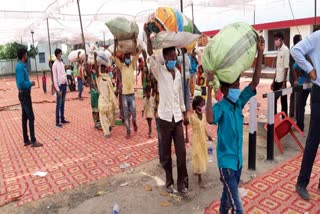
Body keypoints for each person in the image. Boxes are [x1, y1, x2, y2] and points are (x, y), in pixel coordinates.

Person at [206, 37, 264, 213]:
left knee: (226, 200)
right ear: (224, 90)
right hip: (226, 165)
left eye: (238, 84)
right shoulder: (221, 107)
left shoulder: (238, 102)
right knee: (237, 207)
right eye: (234, 85)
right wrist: (208, 89)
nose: (238, 88)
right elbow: (209, 118)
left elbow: (254, 83)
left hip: (238, 162)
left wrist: (260, 53)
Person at [147, 41, 189, 195]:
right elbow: (151, 56)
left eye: (175, 56)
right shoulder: (159, 71)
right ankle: (169, 181)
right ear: (165, 57)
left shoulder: (177, 73)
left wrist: (185, 113)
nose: (174, 59)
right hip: (164, 118)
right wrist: (149, 39)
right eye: (171, 57)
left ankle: (182, 184)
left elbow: (180, 96)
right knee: (165, 154)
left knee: (181, 153)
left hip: (177, 118)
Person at [291, 29, 320, 201]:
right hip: (319, 92)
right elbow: (296, 50)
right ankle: (301, 183)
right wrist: (309, 69)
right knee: (313, 141)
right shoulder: (317, 37)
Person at [15, 48, 43, 147]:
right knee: (31, 117)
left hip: (24, 94)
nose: (27, 56)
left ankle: (26, 140)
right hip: (25, 95)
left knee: (25, 117)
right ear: (24, 55)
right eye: (26, 54)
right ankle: (33, 140)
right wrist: (30, 83)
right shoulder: (20, 67)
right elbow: (20, 83)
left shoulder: (21, 66)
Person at [114, 41, 139, 139]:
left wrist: (135, 43)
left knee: (133, 113)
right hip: (124, 94)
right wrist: (116, 44)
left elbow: (136, 55)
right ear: (124, 59)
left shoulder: (132, 66)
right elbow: (115, 58)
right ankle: (128, 131)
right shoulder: (122, 67)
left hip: (131, 94)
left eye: (129, 57)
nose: (128, 58)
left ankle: (134, 122)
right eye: (126, 57)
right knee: (126, 114)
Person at [187, 96, 212, 187]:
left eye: (204, 104)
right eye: (202, 104)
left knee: (202, 156)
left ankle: (197, 170)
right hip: (196, 140)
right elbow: (186, 124)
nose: (204, 106)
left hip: (203, 140)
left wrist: (208, 135)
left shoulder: (204, 116)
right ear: (197, 106)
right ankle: (200, 179)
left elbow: (204, 127)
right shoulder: (192, 117)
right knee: (198, 157)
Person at [271, 32, 289, 116]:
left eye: (276, 40)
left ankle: (284, 119)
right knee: (273, 100)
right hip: (277, 80)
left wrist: (284, 83)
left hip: (282, 81)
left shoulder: (286, 50)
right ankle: (274, 119)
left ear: (281, 40)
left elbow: (286, 68)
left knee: (283, 101)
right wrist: (273, 81)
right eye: (274, 40)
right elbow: (277, 68)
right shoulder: (278, 50)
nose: (275, 42)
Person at [97, 63, 117, 139]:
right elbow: (95, 68)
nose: (102, 69)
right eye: (101, 68)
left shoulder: (108, 76)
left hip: (109, 98)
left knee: (110, 116)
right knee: (102, 116)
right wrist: (95, 58)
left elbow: (111, 87)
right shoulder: (98, 76)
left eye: (103, 68)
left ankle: (109, 126)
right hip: (102, 99)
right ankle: (106, 132)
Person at [52, 48, 69, 128]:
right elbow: (55, 78)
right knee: (58, 104)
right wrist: (57, 90)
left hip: (64, 85)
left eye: (61, 54)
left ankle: (62, 118)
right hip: (59, 86)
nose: (61, 55)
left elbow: (64, 74)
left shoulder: (62, 63)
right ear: (57, 54)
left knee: (63, 103)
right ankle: (57, 121)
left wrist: (66, 83)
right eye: (60, 54)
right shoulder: (54, 65)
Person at [289, 34, 302, 117]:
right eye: (301, 40)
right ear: (298, 41)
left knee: (297, 95)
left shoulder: (299, 49)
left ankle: (295, 113)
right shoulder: (294, 50)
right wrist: (295, 79)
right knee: (295, 95)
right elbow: (292, 66)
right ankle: (293, 114)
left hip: (299, 77)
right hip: (294, 77)